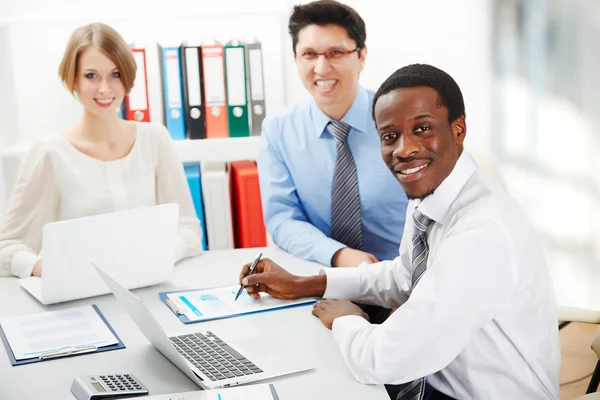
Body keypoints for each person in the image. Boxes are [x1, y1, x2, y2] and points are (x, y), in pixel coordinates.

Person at [240, 64, 560, 399]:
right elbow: (405, 278)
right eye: (389, 136)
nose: (404, 149)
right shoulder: (431, 194)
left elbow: (384, 360)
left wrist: (346, 318)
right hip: (436, 379)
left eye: (422, 128)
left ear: (458, 129)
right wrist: (307, 284)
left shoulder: (481, 233)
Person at [0, 23, 203, 278]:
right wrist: (43, 267)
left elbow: (189, 229)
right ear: (73, 78)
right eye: (91, 75)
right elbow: (6, 249)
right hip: (78, 296)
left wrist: (159, 255)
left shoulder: (155, 140)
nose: (104, 88)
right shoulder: (50, 154)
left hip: (147, 287)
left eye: (115, 74)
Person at [258, 0, 408, 269]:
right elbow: (283, 219)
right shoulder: (278, 131)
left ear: (361, 56)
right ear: (295, 59)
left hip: (408, 283)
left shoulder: (405, 120)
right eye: (309, 54)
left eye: (336, 52)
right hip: (326, 282)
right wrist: (338, 255)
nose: (322, 67)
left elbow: (461, 202)